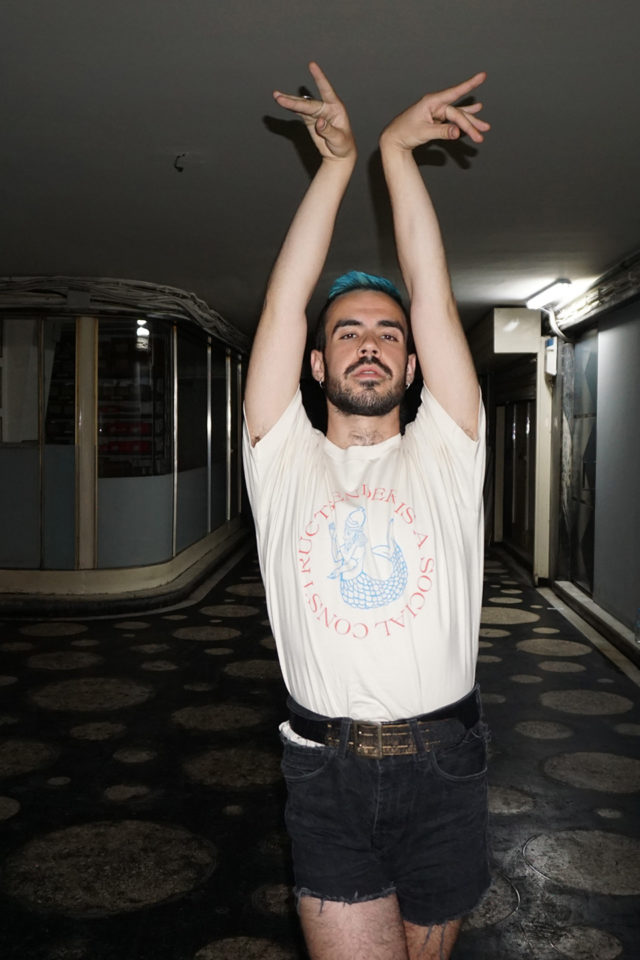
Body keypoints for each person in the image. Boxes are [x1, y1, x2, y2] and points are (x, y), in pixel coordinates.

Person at [243, 61, 491, 960]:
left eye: (389, 333)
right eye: (347, 331)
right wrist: (339, 165)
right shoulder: (282, 459)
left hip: (447, 764)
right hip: (325, 772)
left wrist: (396, 153)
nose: (371, 344)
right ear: (317, 365)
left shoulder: (447, 447)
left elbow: (431, 290)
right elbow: (282, 306)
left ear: (414, 363)